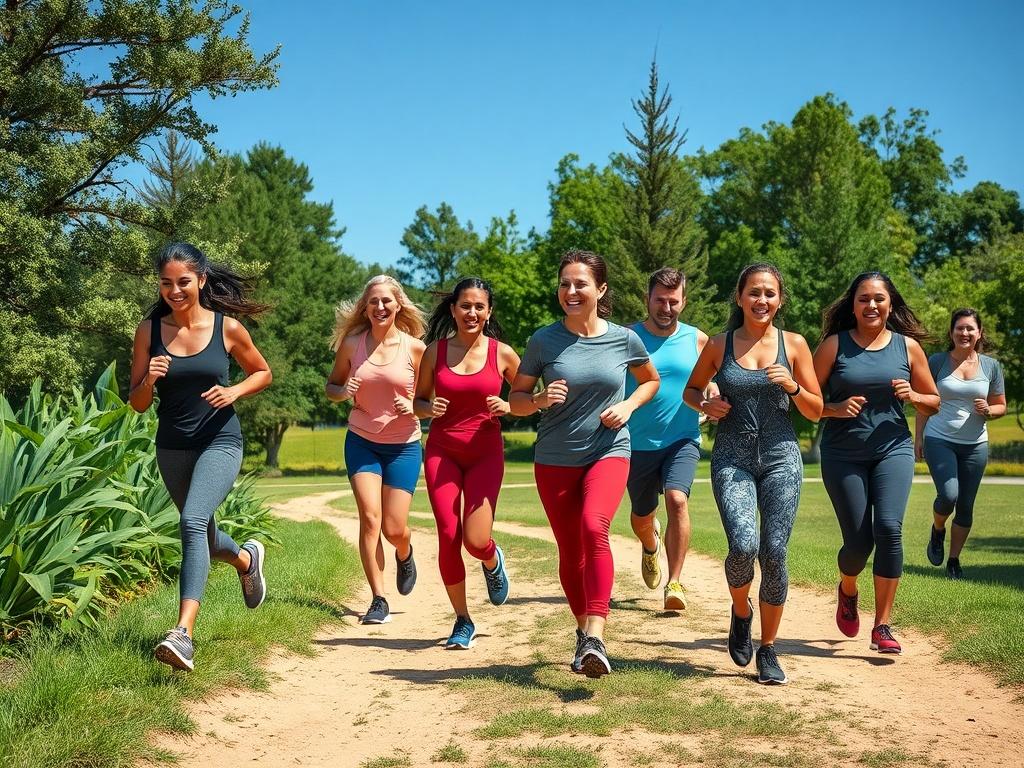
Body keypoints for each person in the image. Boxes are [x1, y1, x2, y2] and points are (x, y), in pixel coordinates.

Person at [509, 250, 659, 679]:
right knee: (570, 550)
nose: (571, 292)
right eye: (564, 284)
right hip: (554, 458)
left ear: (601, 290)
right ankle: (581, 635)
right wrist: (537, 400)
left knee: (595, 528)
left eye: (580, 284)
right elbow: (517, 401)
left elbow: (650, 380)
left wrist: (628, 405)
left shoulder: (625, 339)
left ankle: (596, 633)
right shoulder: (543, 340)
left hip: (609, 449)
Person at [129, 242, 273, 672]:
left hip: (220, 441)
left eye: (183, 282)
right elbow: (136, 403)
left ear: (201, 280)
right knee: (204, 536)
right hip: (172, 445)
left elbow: (262, 372)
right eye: (166, 283)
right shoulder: (148, 331)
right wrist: (149, 381)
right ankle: (247, 560)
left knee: (191, 522)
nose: (175, 290)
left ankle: (183, 634)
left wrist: (234, 391)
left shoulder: (226, 329)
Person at [684, 263, 822, 685]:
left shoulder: (794, 345)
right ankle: (740, 611)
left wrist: (794, 386)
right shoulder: (719, 345)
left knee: (775, 552)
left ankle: (769, 648)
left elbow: (817, 410)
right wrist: (704, 405)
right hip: (733, 457)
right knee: (743, 545)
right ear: (739, 297)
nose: (762, 300)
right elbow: (691, 390)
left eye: (770, 294)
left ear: (780, 300)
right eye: (754, 293)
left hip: (782, 457)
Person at [813, 271, 939, 655]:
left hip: (892, 449)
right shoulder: (834, 346)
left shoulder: (907, 348)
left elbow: (933, 401)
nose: (871, 305)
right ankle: (848, 588)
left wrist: (914, 394)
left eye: (879, 299)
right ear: (853, 305)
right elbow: (806, 402)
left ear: (890, 304)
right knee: (857, 543)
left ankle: (882, 624)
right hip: (842, 453)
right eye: (864, 299)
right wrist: (835, 408)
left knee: (888, 527)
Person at [413, 277, 521, 649]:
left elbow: (525, 397)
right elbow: (417, 403)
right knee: (447, 534)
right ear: (454, 309)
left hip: (485, 452)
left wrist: (507, 405)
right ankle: (462, 620)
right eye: (465, 306)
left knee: (475, 540)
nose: (471, 313)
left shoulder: (502, 354)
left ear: (488, 312)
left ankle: (491, 560)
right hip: (442, 450)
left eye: (479, 306)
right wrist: (429, 408)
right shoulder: (434, 352)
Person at [326, 275, 426, 625]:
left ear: (399, 305)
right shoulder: (353, 345)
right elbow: (332, 387)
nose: (380, 307)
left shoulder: (416, 349)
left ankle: (405, 551)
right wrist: (344, 392)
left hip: (403, 446)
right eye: (373, 302)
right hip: (362, 440)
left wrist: (413, 404)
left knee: (394, 528)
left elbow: (429, 400)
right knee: (371, 518)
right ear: (365, 308)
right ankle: (378, 598)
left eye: (387, 301)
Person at [624, 267, 714, 610]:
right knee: (642, 517)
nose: (666, 307)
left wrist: (712, 394)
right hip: (635, 443)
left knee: (678, 499)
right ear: (647, 299)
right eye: (660, 300)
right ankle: (650, 545)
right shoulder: (627, 337)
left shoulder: (698, 339)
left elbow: (709, 380)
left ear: (683, 302)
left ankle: (675, 583)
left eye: (673, 301)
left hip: (682, 437)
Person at [918, 308, 1006, 579]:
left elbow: (1001, 405)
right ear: (951, 332)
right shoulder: (936, 362)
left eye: (970, 328)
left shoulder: (991, 366)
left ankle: (954, 560)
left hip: (975, 444)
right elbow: (924, 403)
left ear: (979, 333)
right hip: (939, 438)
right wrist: (918, 438)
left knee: (966, 506)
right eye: (959, 328)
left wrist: (989, 411)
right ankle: (938, 529)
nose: (964, 333)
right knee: (949, 495)